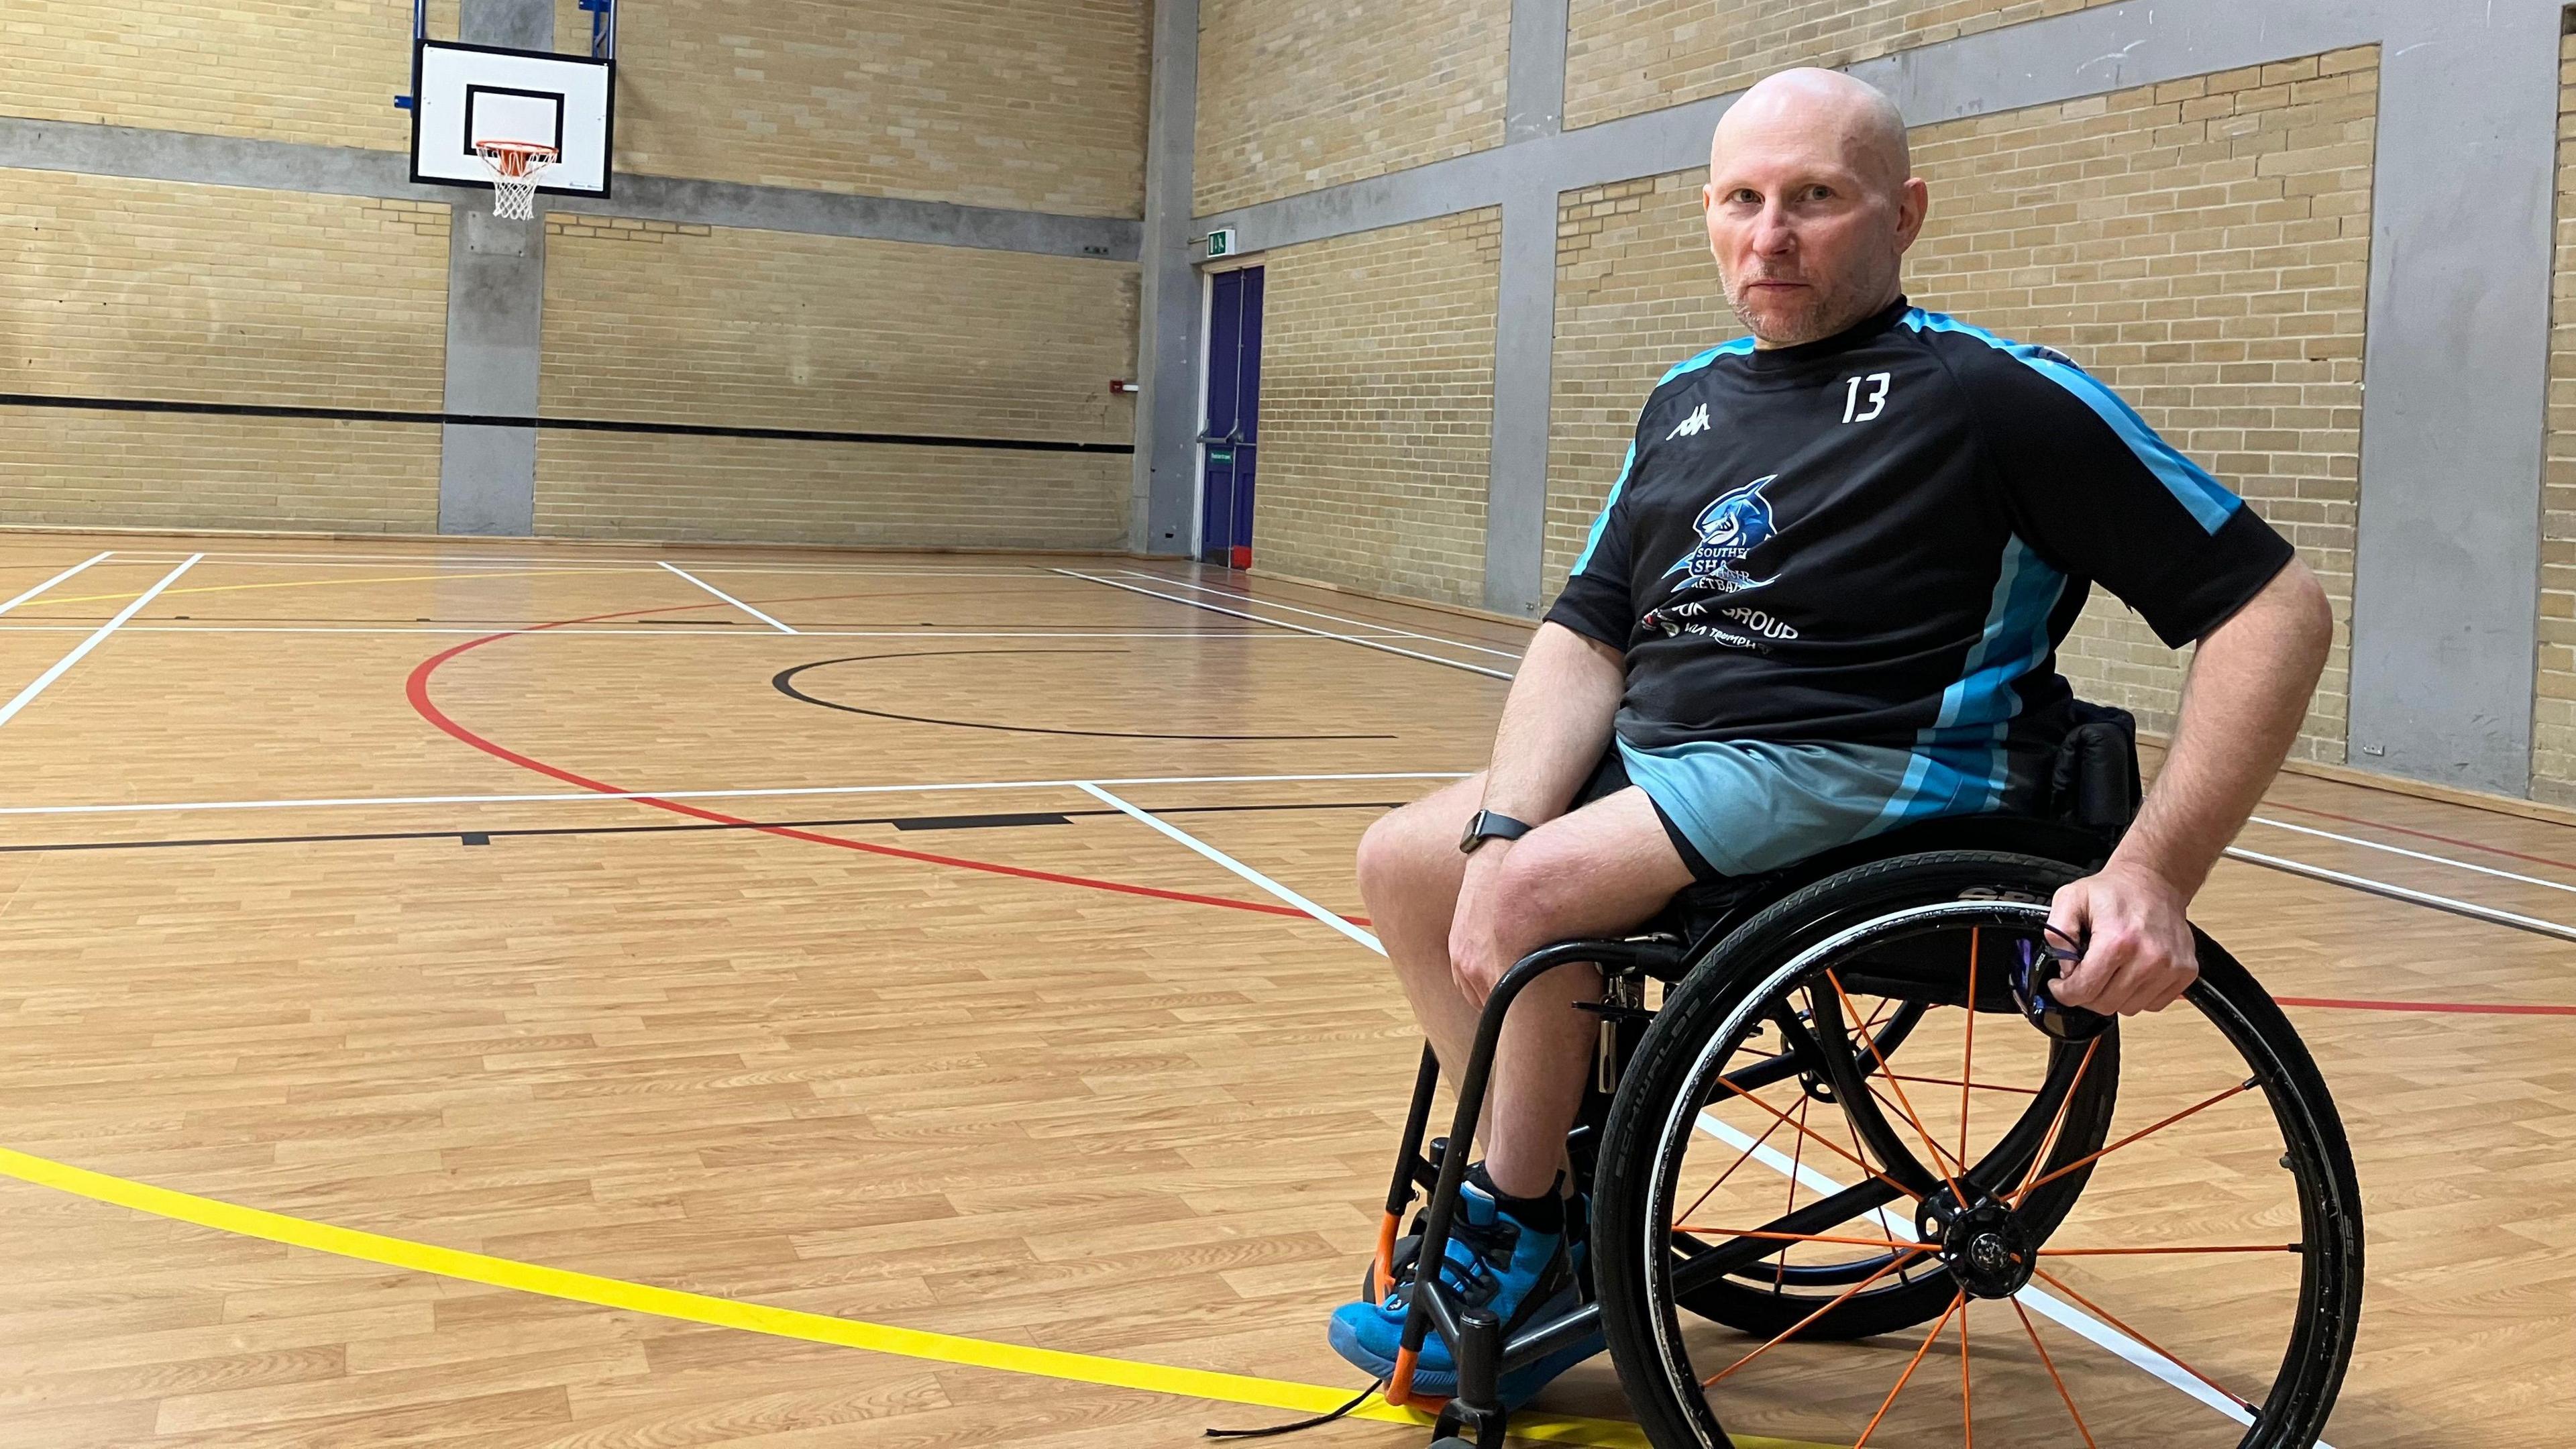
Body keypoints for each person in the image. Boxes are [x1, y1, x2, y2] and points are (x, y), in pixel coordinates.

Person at [1325, 66, 2334, 1404]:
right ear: (1708, 211)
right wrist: (1504, 823)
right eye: (1742, 200)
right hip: (1682, 755)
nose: (1771, 234)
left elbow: (2275, 608)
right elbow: (1586, 636)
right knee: (1410, 860)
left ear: (1903, 214)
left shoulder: (1992, 396)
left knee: (1539, 892)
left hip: (1875, 762)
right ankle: (1554, 1181)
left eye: (1816, 198)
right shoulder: (1685, 398)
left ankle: (1526, 1228)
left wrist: (2157, 872)